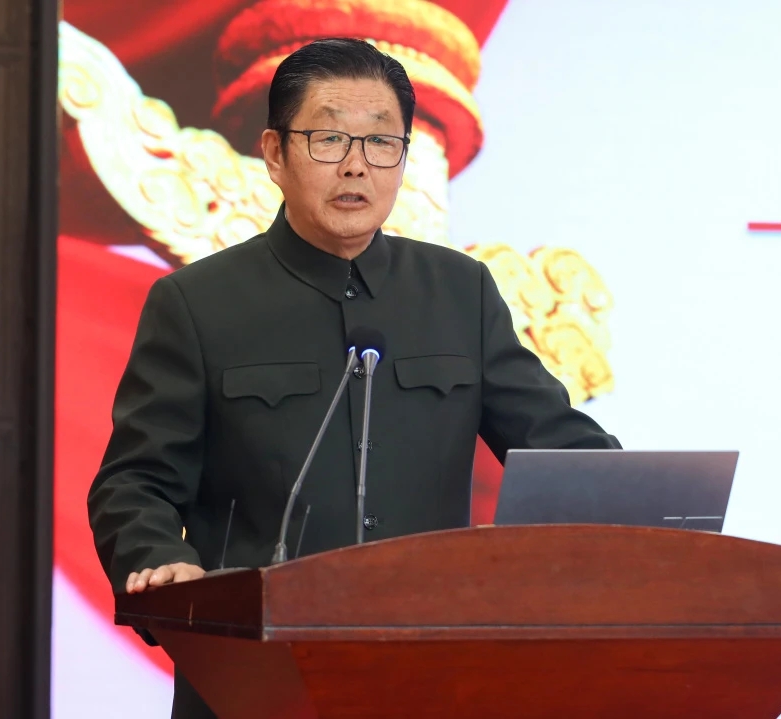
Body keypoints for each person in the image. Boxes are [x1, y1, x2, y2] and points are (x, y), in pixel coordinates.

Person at [86, 37, 621, 718]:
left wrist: (647, 509)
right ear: (274, 154)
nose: (356, 165)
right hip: (253, 677)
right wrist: (160, 557)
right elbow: (135, 481)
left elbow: (557, 445)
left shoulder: (459, 292)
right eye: (329, 138)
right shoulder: (197, 303)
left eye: (381, 142)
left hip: (427, 678)